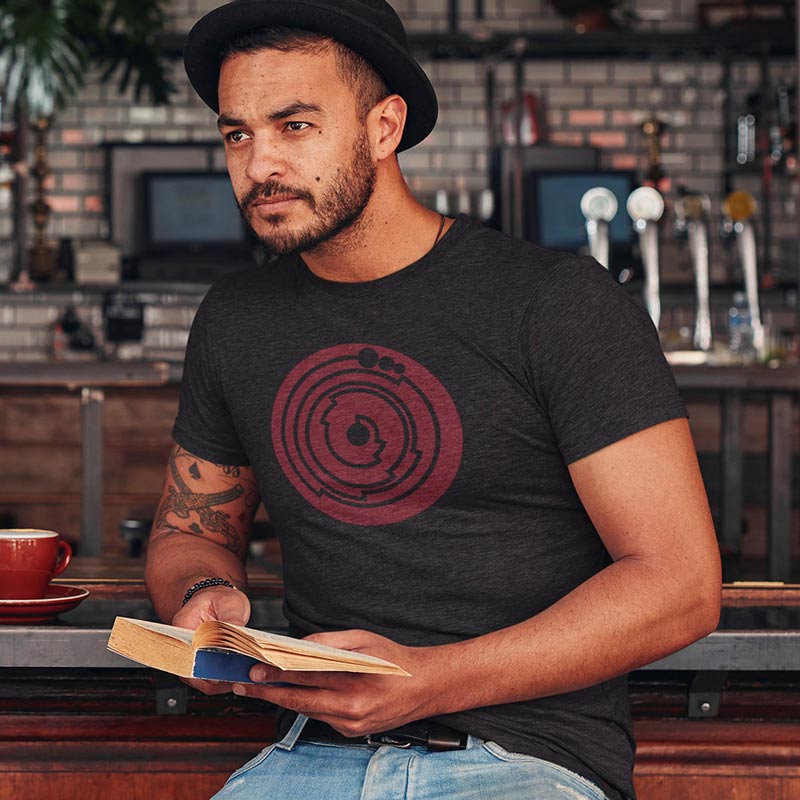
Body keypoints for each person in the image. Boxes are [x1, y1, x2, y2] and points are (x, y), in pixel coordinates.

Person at [144, 1, 722, 798]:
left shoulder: (556, 303)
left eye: (295, 126)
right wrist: (204, 603)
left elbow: (680, 586)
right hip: (309, 756)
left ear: (385, 128)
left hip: (524, 759)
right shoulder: (236, 319)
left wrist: (429, 679)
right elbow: (188, 532)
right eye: (237, 133)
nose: (260, 163)